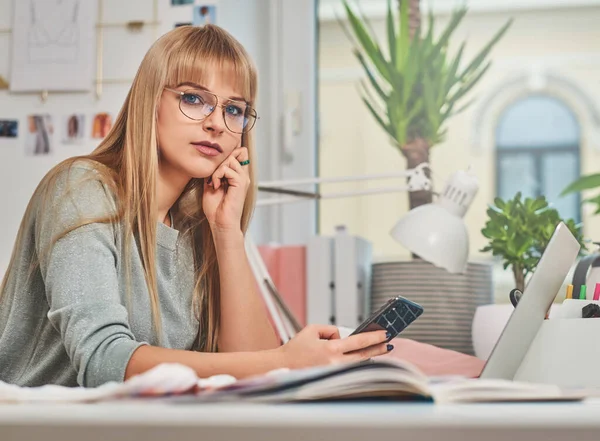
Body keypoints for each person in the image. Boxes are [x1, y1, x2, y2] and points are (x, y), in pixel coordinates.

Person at [0, 25, 391, 388]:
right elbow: (103, 359)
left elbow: (253, 368)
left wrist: (228, 234)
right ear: (150, 102)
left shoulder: (195, 224)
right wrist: (286, 361)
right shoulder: (81, 188)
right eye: (193, 99)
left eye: (234, 109)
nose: (217, 123)